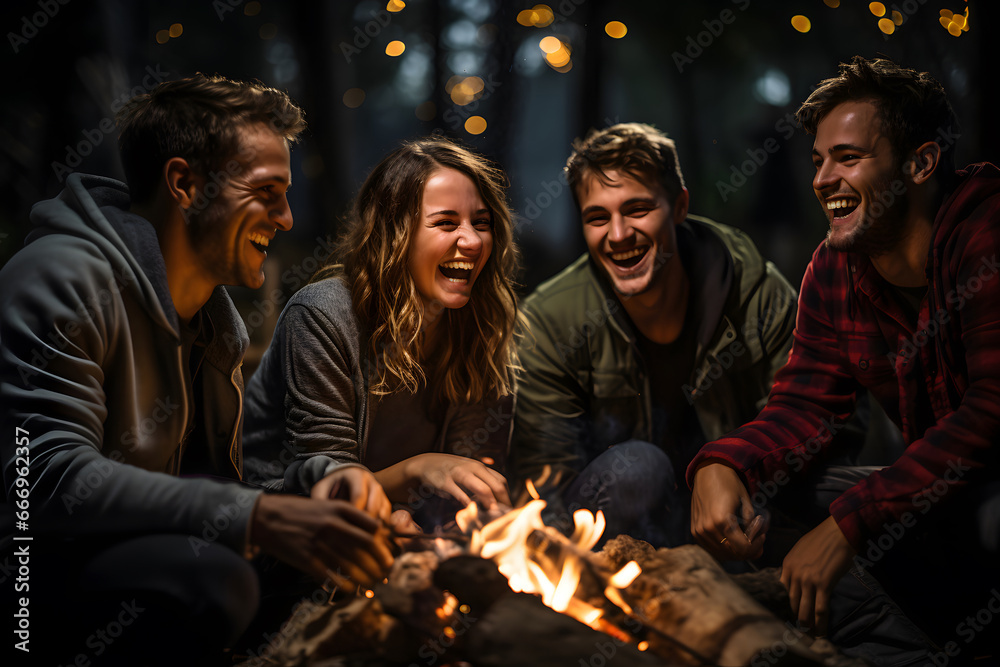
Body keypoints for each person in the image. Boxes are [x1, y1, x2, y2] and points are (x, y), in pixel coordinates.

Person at [0, 74, 394, 666]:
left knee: (325, 554)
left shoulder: (212, 320)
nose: (286, 219)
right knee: (214, 579)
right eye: (267, 192)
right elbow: (41, 481)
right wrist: (257, 516)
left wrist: (312, 483)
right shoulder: (60, 277)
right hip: (24, 590)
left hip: (120, 558)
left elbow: (201, 497)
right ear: (184, 184)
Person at [688, 56, 1000, 655]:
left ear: (921, 163)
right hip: (939, 494)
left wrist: (851, 524)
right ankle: (896, 643)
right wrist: (721, 463)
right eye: (817, 160)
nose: (822, 178)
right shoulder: (834, 266)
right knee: (764, 498)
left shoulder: (986, 234)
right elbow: (804, 405)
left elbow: (991, 412)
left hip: (990, 494)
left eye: (848, 158)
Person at [509, 122, 799, 547]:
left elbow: (810, 420)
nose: (619, 234)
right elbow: (544, 484)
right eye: (597, 218)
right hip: (614, 535)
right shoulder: (549, 322)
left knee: (838, 489)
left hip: (745, 509)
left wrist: (734, 467)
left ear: (680, 206)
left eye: (637, 209)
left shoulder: (760, 295)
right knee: (637, 468)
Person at [243, 137, 519, 528]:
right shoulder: (324, 315)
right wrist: (419, 469)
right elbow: (330, 488)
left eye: (481, 223)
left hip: (408, 531)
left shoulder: (483, 324)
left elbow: (471, 485)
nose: (473, 241)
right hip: (287, 533)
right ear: (395, 233)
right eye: (445, 223)